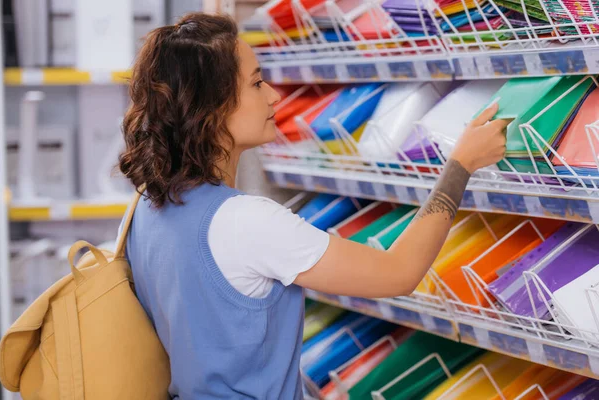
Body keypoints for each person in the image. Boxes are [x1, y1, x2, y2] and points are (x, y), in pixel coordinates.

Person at [118, 12, 509, 400]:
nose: (273, 95)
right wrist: (460, 166)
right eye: (256, 83)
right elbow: (398, 272)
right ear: (212, 107)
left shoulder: (144, 209)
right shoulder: (244, 222)